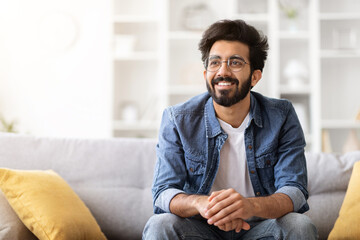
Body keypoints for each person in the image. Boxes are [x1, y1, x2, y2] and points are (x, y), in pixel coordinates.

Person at [142, 19, 318, 240]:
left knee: (299, 225)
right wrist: (202, 204)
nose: (222, 71)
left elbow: (295, 190)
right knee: (160, 224)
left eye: (235, 63)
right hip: (200, 229)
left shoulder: (281, 116)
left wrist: (249, 207)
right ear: (205, 72)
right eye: (215, 63)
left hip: (260, 229)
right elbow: (163, 193)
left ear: (255, 76)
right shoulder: (177, 119)